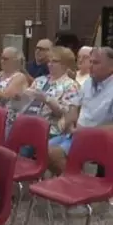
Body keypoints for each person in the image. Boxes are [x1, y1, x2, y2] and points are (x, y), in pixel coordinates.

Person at [48, 47, 113, 176]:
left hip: (100, 139)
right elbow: (74, 106)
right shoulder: (88, 83)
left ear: (111, 67)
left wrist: (85, 132)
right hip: (75, 134)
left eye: (96, 63)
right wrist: (69, 121)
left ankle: (77, 185)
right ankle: (74, 183)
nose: (91, 66)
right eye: (91, 62)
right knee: (42, 150)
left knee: (53, 153)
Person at [21, 47, 80, 137]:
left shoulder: (71, 85)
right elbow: (25, 103)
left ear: (65, 64)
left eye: (54, 61)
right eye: (49, 61)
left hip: (50, 131)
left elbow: (66, 115)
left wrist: (47, 100)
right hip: (28, 124)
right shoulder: (39, 80)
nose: (50, 64)